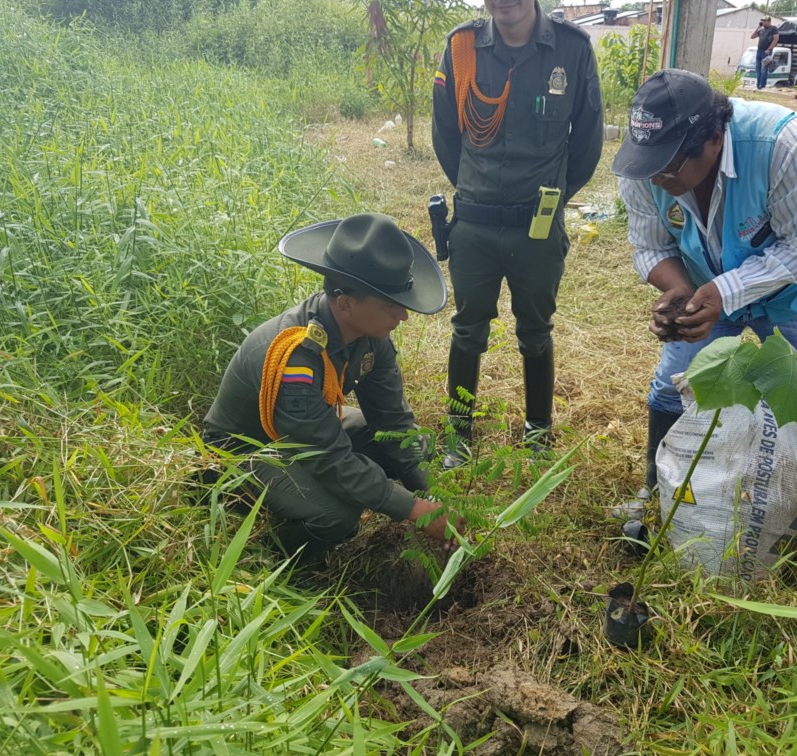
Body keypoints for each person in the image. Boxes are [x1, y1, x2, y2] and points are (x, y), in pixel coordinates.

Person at [611, 69, 797, 502]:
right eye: (649, 165)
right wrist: (679, 291)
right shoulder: (645, 167)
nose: (657, 178)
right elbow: (648, 245)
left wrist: (725, 292)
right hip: (707, 292)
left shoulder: (782, 145)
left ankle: (795, 506)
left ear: (715, 139)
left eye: (669, 166)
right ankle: (658, 493)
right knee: (672, 386)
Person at [202, 213, 463, 562]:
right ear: (345, 303)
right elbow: (332, 460)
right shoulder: (294, 358)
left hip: (305, 434)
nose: (403, 315)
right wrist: (414, 510)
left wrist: (434, 495)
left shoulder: (372, 338)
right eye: (390, 304)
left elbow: (393, 422)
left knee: (412, 443)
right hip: (243, 453)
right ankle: (272, 560)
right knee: (336, 516)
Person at [431, 0, 603, 467]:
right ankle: (459, 434)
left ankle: (537, 435)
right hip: (475, 225)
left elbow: (587, 142)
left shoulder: (572, 50)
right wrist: (476, 189)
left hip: (537, 228)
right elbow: (446, 134)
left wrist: (551, 199)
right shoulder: (462, 47)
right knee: (467, 330)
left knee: (536, 331)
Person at [750, 16, 779, 90]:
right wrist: (758, 27)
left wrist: (769, 49)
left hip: (766, 52)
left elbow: (776, 39)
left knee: (764, 69)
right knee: (758, 69)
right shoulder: (761, 29)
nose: (763, 22)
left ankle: (762, 86)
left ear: (769, 21)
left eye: (764, 21)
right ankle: (758, 85)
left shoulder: (773, 28)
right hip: (759, 51)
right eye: (762, 21)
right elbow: (752, 36)